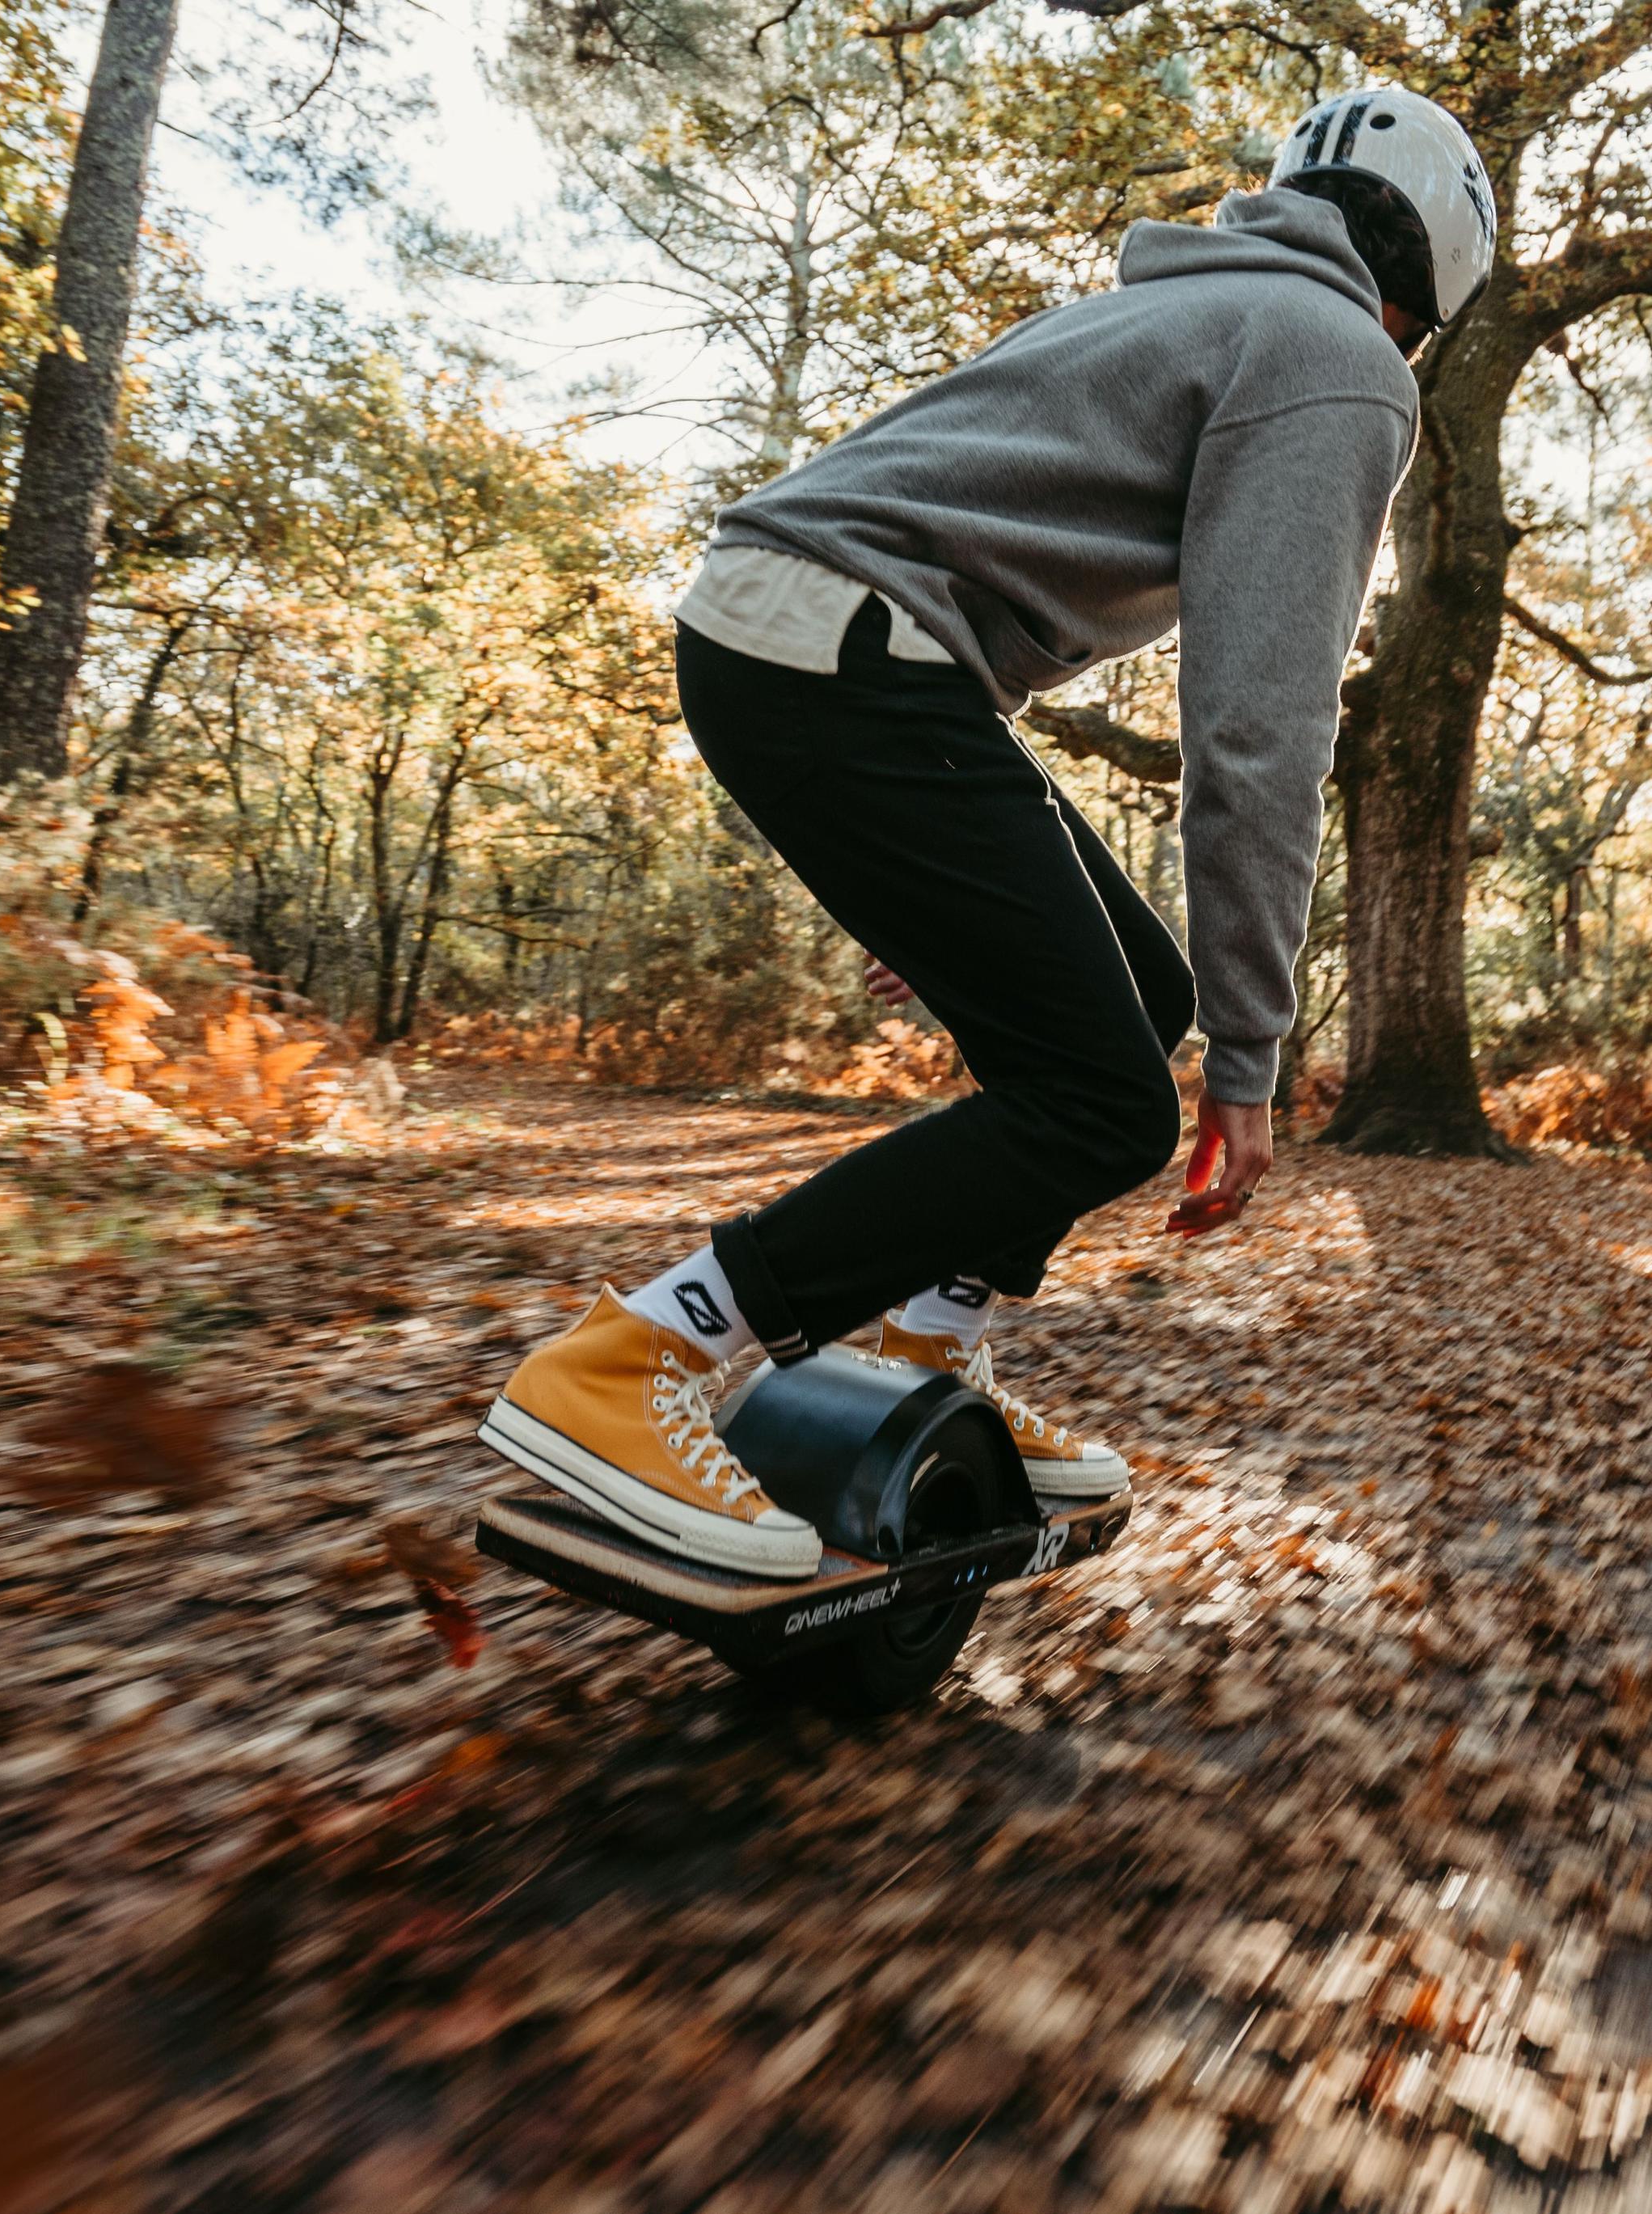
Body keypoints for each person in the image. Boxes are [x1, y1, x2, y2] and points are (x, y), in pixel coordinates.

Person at [480, 87, 1497, 1578]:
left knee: (1132, 998)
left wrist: (951, 872)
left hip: (799, 639)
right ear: (1439, 287)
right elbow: (1259, 732)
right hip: (848, 659)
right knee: (1107, 1106)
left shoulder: (1167, 309)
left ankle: (919, 1352)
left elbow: (944, 528)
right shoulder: (1340, 361)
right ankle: (638, 1359)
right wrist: (1252, 1060)